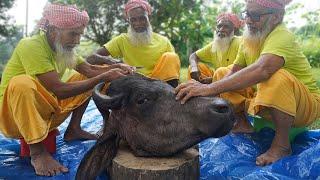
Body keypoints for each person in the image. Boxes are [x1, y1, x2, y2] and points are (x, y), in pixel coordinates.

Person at [175, 0, 320, 166]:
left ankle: (282, 145)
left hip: (303, 106)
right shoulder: (248, 39)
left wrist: (208, 88)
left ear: (277, 17)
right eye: (247, 14)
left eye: (256, 16)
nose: (249, 20)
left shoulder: (282, 35)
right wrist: (202, 95)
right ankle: (242, 124)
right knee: (222, 73)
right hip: (267, 98)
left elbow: (263, 69)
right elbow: (233, 73)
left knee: (276, 76)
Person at [0, 3, 134, 176]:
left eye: (79, 34)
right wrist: (103, 77)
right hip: (14, 118)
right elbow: (59, 89)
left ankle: (74, 129)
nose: (77, 40)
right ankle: (38, 152)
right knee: (22, 83)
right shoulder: (31, 46)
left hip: (46, 112)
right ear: (53, 30)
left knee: (90, 76)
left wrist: (118, 69)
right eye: (73, 34)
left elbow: (90, 70)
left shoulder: (63, 49)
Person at [87, 0, 181, 87]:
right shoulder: (122, 39)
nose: (138, 23)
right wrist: (113, 62)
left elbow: (173, 71)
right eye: (133, 20)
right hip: (134, 84)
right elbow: (90, 58)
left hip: (161, 85)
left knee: (171, 57)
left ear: (149, 18)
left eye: (142, 18)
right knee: (100, 66)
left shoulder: (163, 41)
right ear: (128, 20)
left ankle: (172, 97)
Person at [189, 13, 243, 84]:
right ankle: (197, 90)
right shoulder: (214, 45)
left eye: (226, 27)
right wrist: (194, 68)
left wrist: (213, 80)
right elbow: (193, 56)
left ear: (234, 30)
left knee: (221, 72)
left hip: (238, 83)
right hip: (218, 79)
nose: (221, 29)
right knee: (196, 67)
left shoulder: (240, 42)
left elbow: (242, 72)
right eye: (219, 26)